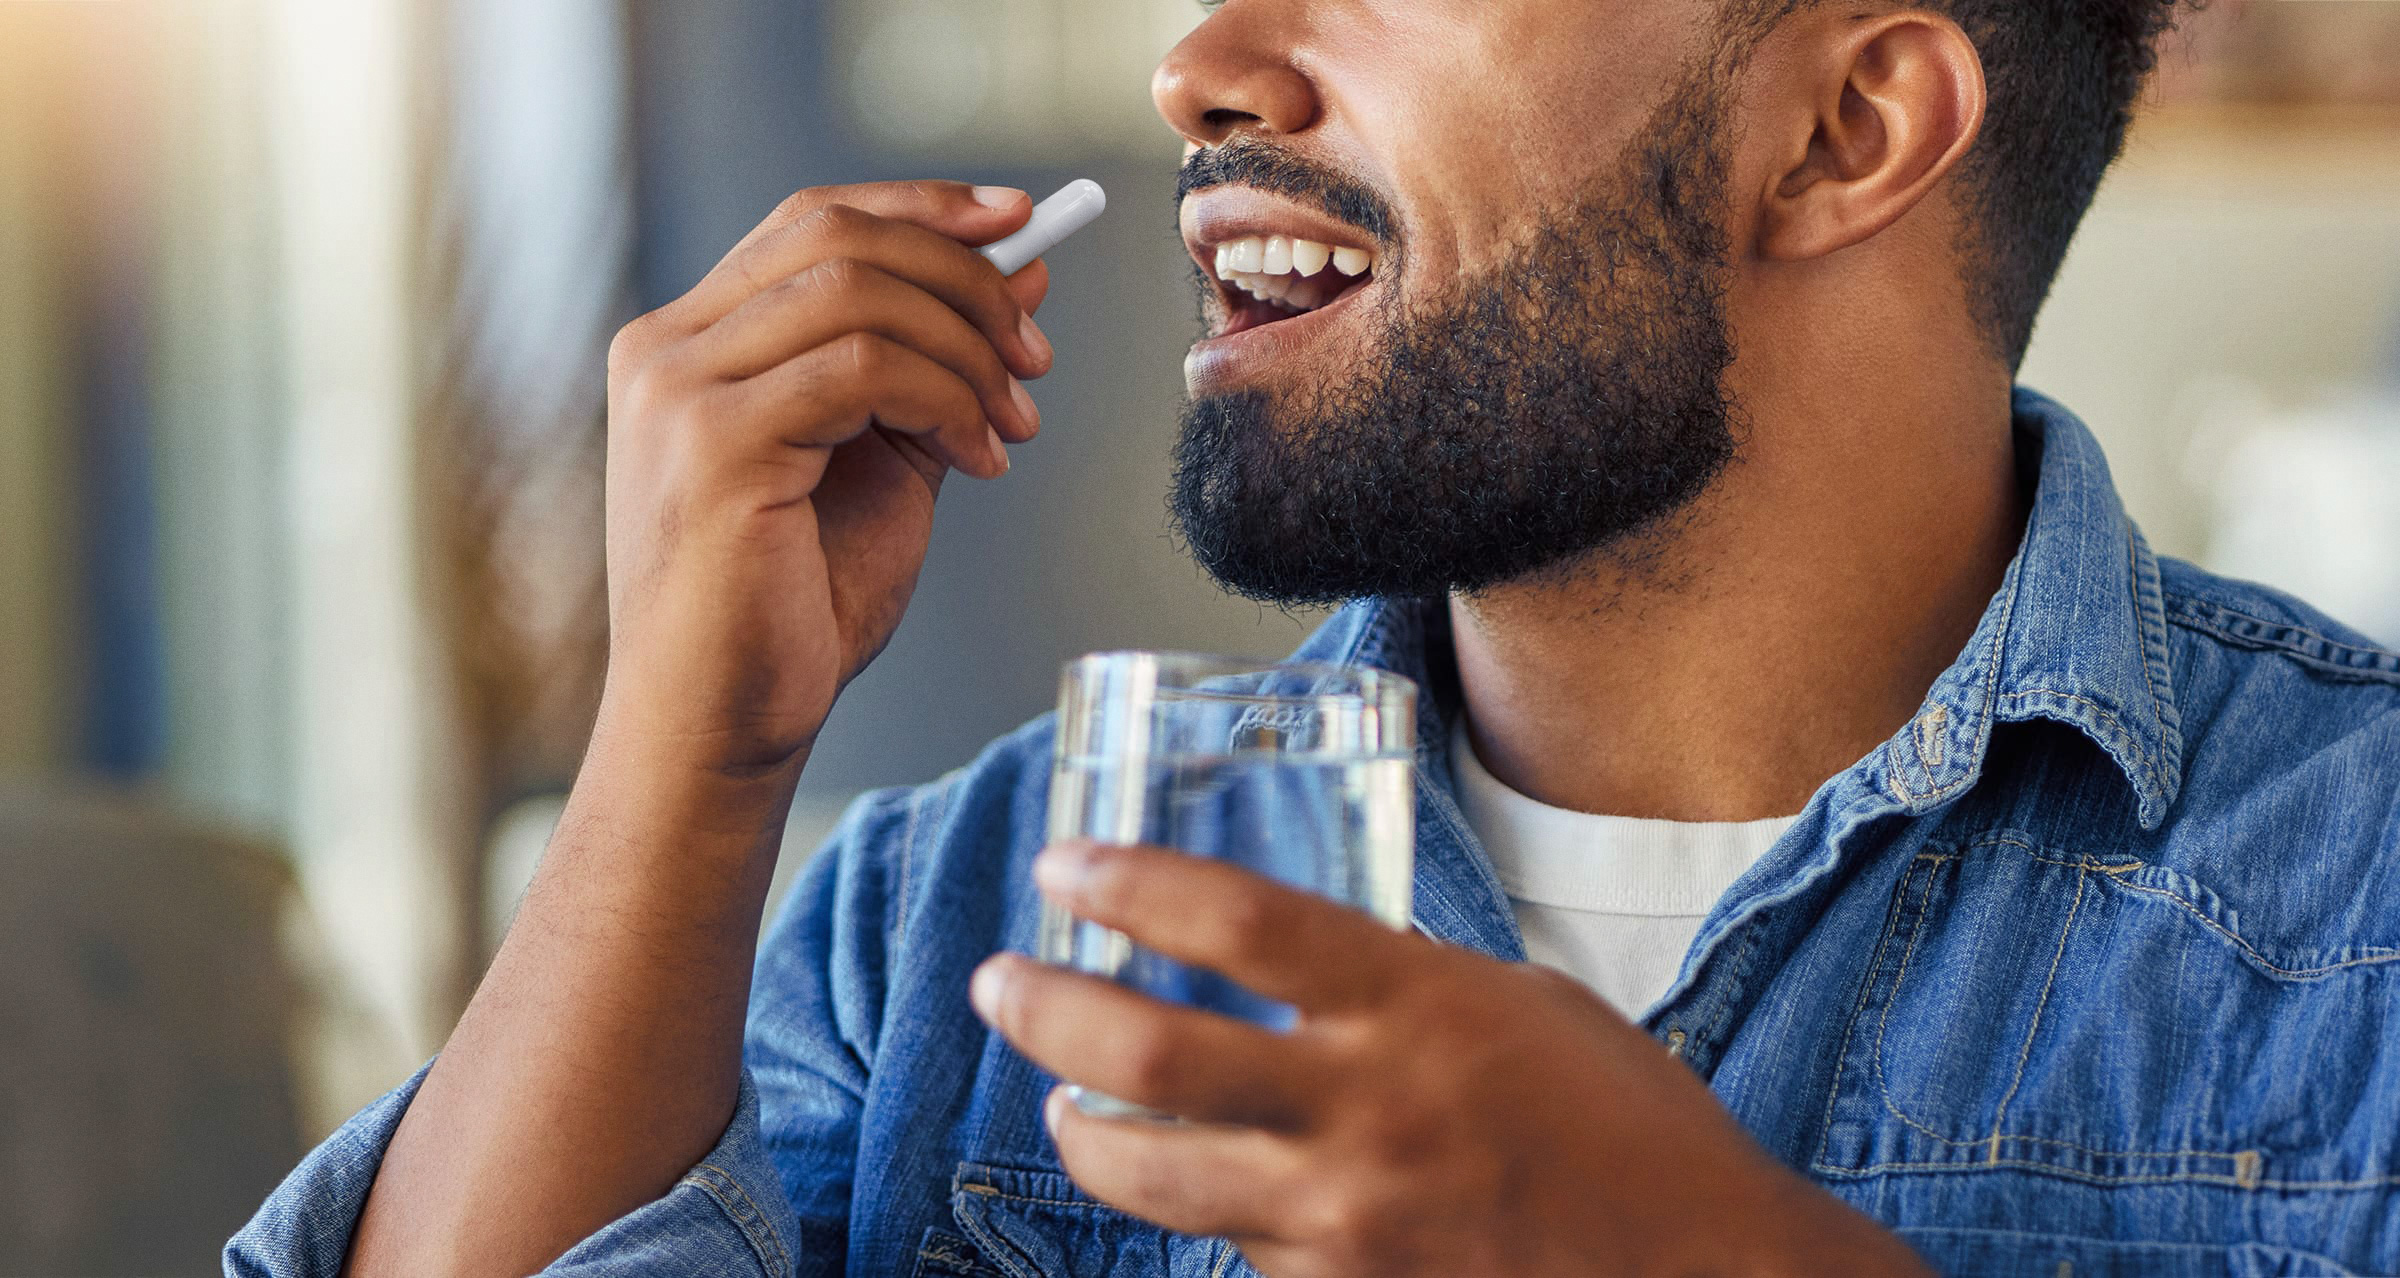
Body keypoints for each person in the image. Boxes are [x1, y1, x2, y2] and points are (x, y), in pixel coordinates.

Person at [231, 0, 2400, 1273]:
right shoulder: (946, 938)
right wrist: (684, 762)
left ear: (1845, 127)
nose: (1204, 63)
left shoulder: (2367, 915)